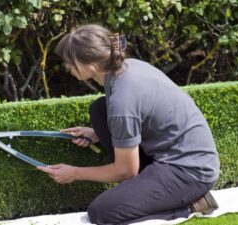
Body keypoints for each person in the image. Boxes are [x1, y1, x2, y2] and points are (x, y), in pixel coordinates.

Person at [37, 24, 220, 225]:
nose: (67, 67)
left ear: (90, 64)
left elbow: (126, 171)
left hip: (190, 170)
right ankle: (143, 191)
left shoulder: (122, 100)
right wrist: (97, 133)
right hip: (179, 153)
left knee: (102, 212)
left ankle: (193, 204)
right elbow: (136, 117)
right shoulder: (127, 68)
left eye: (70, 62)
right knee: (99, 110)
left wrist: (75, 173)